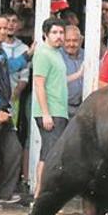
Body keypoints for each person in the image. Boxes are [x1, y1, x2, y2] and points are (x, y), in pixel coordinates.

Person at [0, 15, 33, 212]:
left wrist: (27, 56)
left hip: (4, 112)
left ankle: (1, 194)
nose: (3, 31)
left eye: (5, 28)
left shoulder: (0, 52)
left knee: (14, 150)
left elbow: (10, 67)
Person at [32, 17, 68, 198]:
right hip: (50, 112)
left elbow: (57, 81)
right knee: (49, 154)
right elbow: (39, 84)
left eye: (61, 32)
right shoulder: (43, 53)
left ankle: (41, 196)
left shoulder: (56, 53)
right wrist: (46, 114)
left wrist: (78, 75)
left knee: (49, 153)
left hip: (58, 111)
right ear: (46, 34)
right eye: (54, 32)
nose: (59, 36)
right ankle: (40, 196)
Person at [61, 25, 85, 118]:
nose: (71, 44)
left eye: (75, 40)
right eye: (68, 40)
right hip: (62, 108)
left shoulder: (87, 55)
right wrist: (78, 74)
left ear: (81, 40)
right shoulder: (57, 57)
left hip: (82, 108)